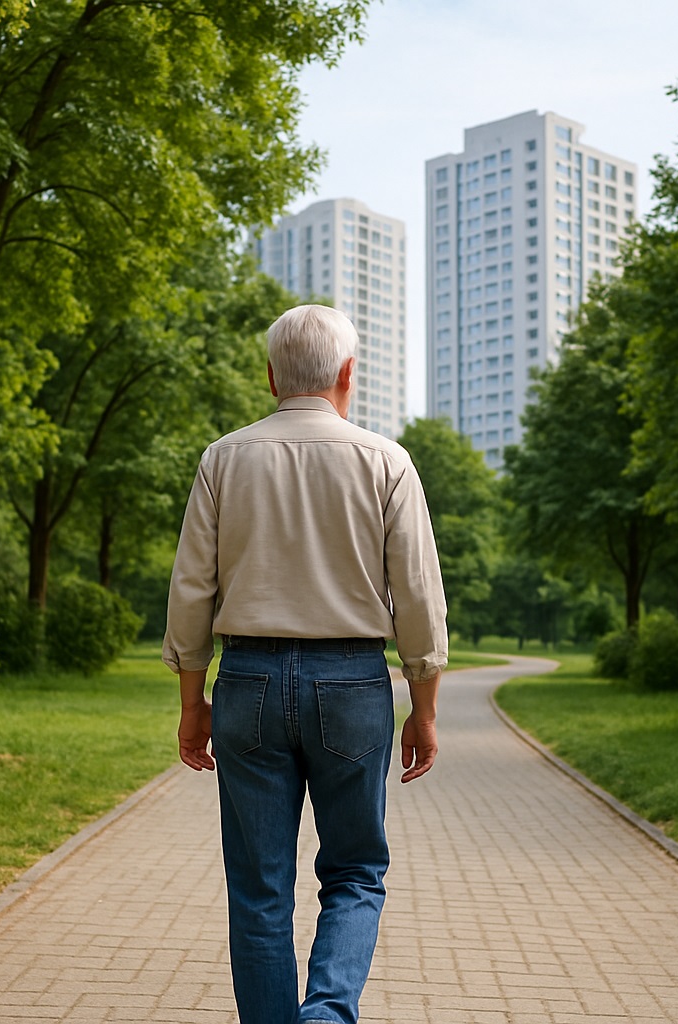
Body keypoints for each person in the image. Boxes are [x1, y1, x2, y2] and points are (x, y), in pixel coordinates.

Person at [162, 303, 447, 1024]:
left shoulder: (223, 458)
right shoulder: (387, 461)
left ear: (270, 377)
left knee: (258, 886)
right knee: (353, 871)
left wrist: (192, 700)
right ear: (349, 373)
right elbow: (417, 595)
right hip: (352, 684)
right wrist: (426, 706)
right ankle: (326, 1016)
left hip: (248, 683)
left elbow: (192, 587)